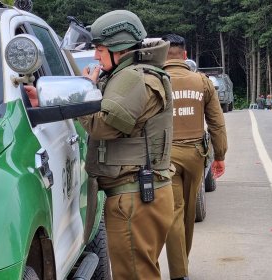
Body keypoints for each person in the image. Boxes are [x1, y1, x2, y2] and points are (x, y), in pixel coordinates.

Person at [78, 10, 174, 279]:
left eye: (99, 49)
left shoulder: (134, 78)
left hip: (134, 196)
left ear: (118, 48)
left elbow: (103, 125)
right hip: (139, 194)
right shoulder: (132, 76)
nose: (96, 56)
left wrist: (86, 91)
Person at [161, 34, 228, 280]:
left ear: (162, 56)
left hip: (165, 157)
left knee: (174, 211)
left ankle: (180, 273)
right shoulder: (202, 81)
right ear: (185, 55)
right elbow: (217, 123)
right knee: (188, 212)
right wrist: (219, 155)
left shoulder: (155, 81)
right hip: (195, 156)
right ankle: (182, 267)